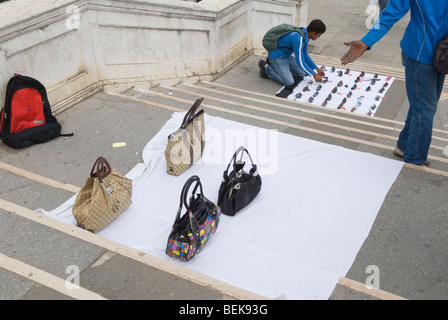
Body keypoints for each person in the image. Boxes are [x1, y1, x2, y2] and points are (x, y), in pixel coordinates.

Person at [341, 0, 448, 166]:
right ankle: (414, 160)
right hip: (421, 56)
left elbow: (389, 15)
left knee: (422, 105)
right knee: (425, 109)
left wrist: (367, 40)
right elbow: (389, 15)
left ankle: (404, 146)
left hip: (438, 55)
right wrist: (367, 41)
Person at [259, 19, 327, 98]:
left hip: (286, 56)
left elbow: (304, 54)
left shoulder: (305, 34)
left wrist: (316, 68)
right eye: (319, 35)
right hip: (277, 57)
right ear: (313, 33)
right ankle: (267, 68)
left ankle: (280, 68)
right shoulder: (299, 38)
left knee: (302, 73)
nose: (319, 37)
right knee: (289, 82)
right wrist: (314, 74)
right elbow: (300, 61)